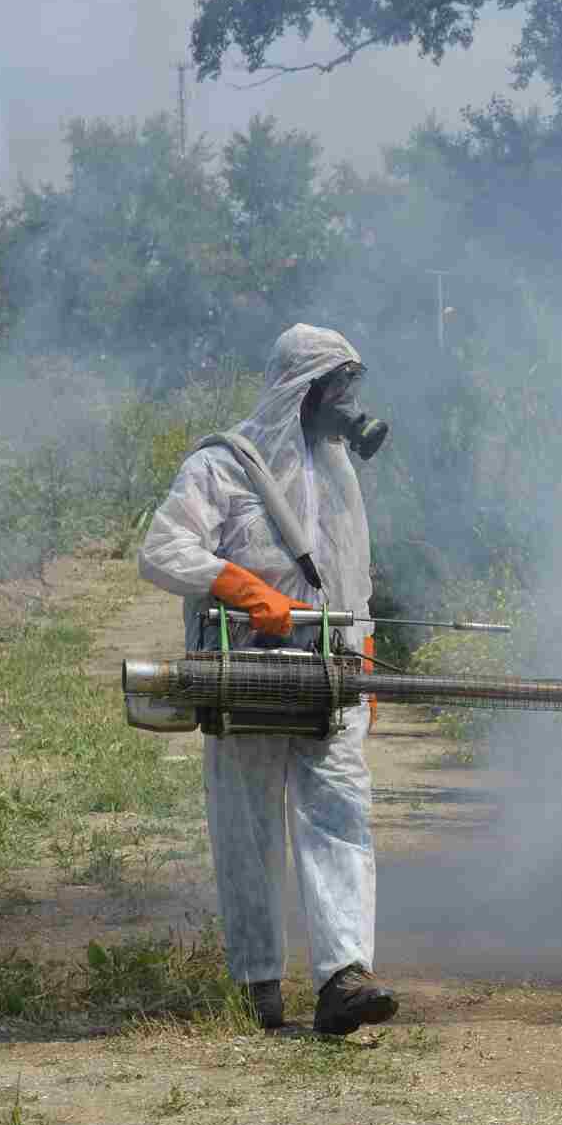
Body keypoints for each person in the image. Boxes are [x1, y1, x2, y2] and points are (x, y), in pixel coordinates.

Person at [138, 324, 398, 1036]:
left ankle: (344, 975)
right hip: (247, 667)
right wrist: (243, 587)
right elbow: (162, 549)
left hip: (331, 670)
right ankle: (256, 982)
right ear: (300, 390)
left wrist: (366, 659)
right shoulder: (223, 466)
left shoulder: (339, 470)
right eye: (334, 387)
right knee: (248, 827)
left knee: (340, 815)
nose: (345, 403)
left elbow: (354, 576)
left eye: (351, 386)